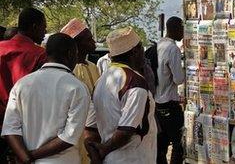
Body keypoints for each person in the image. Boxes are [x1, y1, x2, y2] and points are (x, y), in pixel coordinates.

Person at [1, 33, 90, 164]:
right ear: (70, 53)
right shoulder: (77, 87)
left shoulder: (22, 84)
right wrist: (31, 156)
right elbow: (70, 136)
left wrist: (26, 157)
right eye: (76, 55)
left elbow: (10, 128)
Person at [85, 26, 157, 164]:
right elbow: (127, 129)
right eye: (141, 48)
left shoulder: (101, 81)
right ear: (135, 51)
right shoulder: (134, 81)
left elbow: (90, 128)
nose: (144, 52)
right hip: (133, 158)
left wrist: (96, 153)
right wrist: (103, 150)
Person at [0, 8, 47, 164]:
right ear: (34, 27)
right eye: (43, 27)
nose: (44, 32)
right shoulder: (39, 54)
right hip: (23, 128)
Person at [61, 18, 99, 164]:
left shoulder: (93, 66)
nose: (93, 42)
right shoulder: (68, 71)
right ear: (77, 44)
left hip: (93, 132)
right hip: (73, 133)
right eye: (89, 39)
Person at [155, 16, 185, 164]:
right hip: (170, 106)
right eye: (182, 29)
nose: (183, 32)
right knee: (179, 145)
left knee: (161, 147)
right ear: (174, 29)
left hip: (157, 106)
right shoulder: (173, 49)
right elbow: (178, 79)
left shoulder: (158, 45)